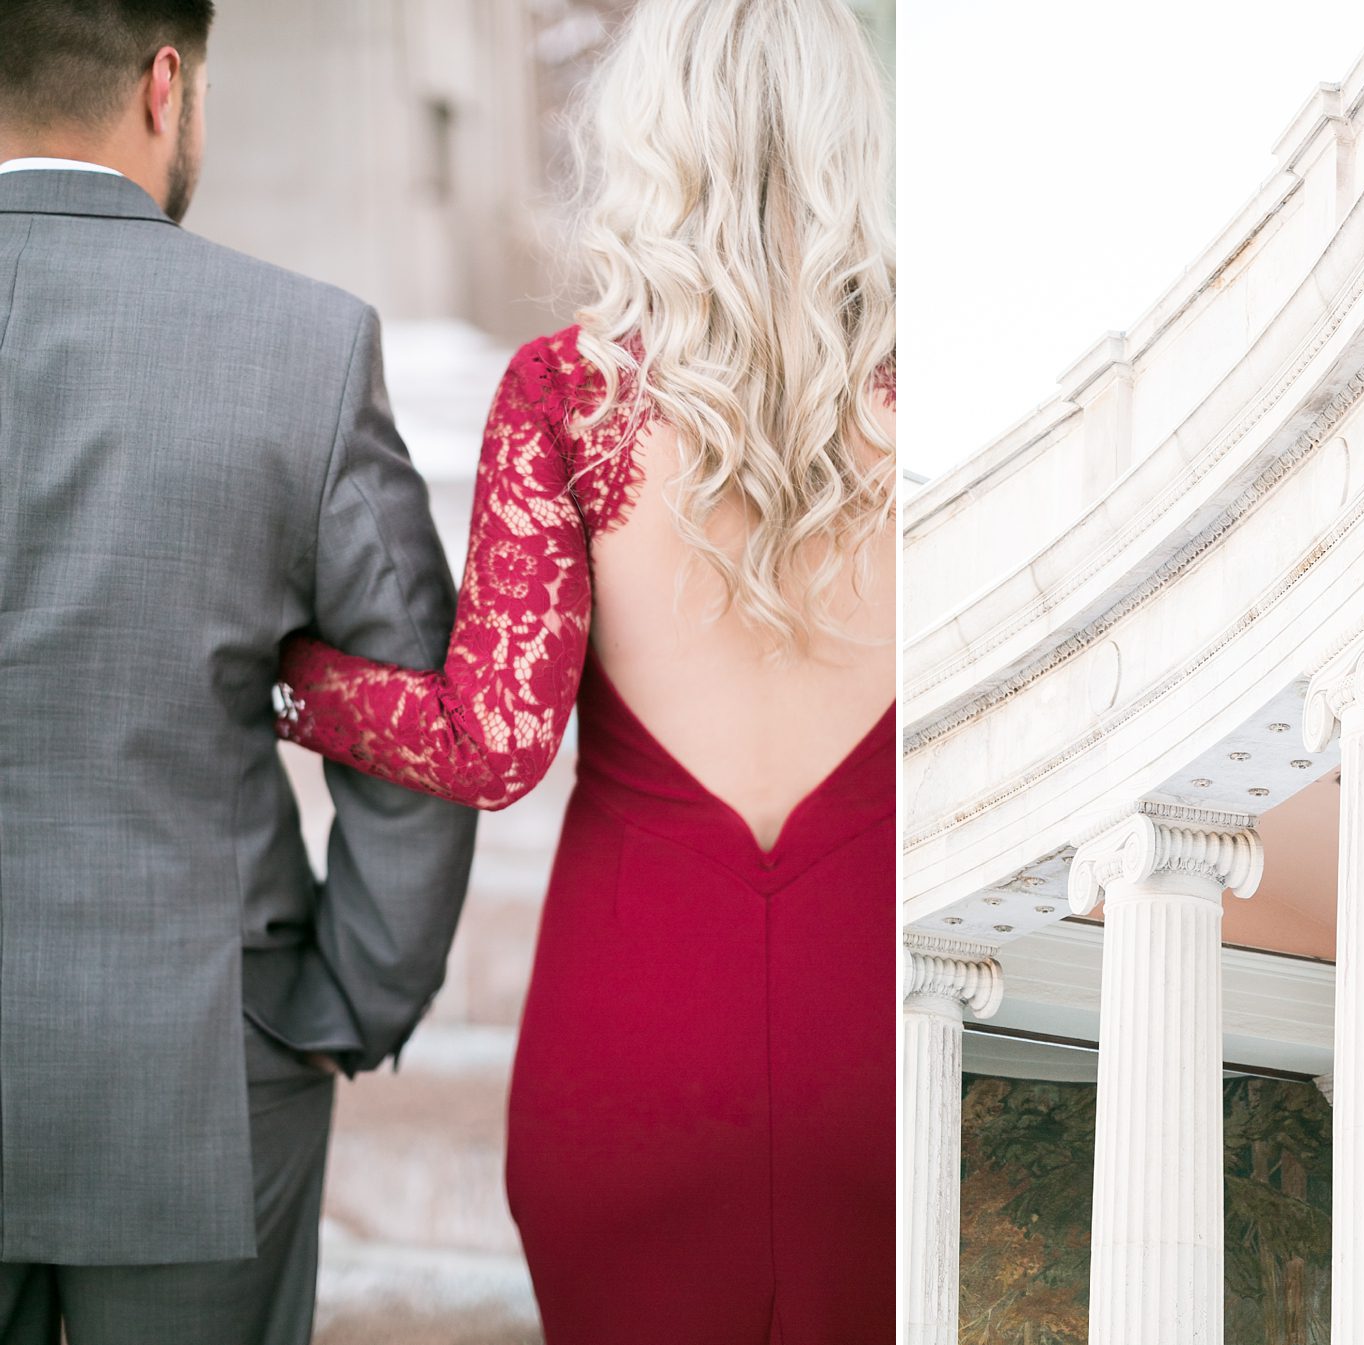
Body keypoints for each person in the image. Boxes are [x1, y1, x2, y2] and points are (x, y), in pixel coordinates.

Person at [274, 0, 897, 1339]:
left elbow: (492, 736)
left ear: (648, 135)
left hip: (632, 1045)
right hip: (890, 1045)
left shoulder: (568, 393)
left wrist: (279, 676)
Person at [0, 3, 478, 1342]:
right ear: (167, 86)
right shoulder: (300, 349)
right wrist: (351, 995)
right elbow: (417, 721)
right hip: (208, 1070)